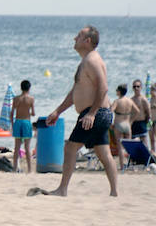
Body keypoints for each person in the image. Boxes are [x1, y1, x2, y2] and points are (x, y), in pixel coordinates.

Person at [31, 26, 117, 198]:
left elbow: (104, 88)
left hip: (95, 112)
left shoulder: (91, 61)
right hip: (100, 112)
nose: (74, 38)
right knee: (103, 152)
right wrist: (58, 111)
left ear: (87, 41)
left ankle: (62, 190)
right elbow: (75, 92)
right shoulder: (86, 61)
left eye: (78, 36)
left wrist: (91, 114)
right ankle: (114, 193)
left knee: (70, 148)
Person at [12, 79, 36, 174]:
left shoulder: (16, 99)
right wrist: (28, 112)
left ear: (21, 88)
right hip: (26, 122)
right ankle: (29, 169)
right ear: (29, 88)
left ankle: (14, 169)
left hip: (17, 122)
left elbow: (12, 113)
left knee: (16, 147)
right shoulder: (31, 99)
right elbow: (33, 113)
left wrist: (12, 123)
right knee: (27, 147)